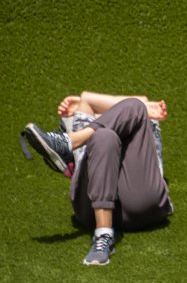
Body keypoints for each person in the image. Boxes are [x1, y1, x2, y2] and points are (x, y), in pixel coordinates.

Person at [20, 91, 172, 266]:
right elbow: (89, 102)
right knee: (103, 136)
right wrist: (85, 101)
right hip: (91, 209)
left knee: (135, 106)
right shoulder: (126, 113)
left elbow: (141, 102)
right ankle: (103, 235)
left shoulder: (139, 113)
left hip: (141, 201)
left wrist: (84, 100)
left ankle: (69, 142)